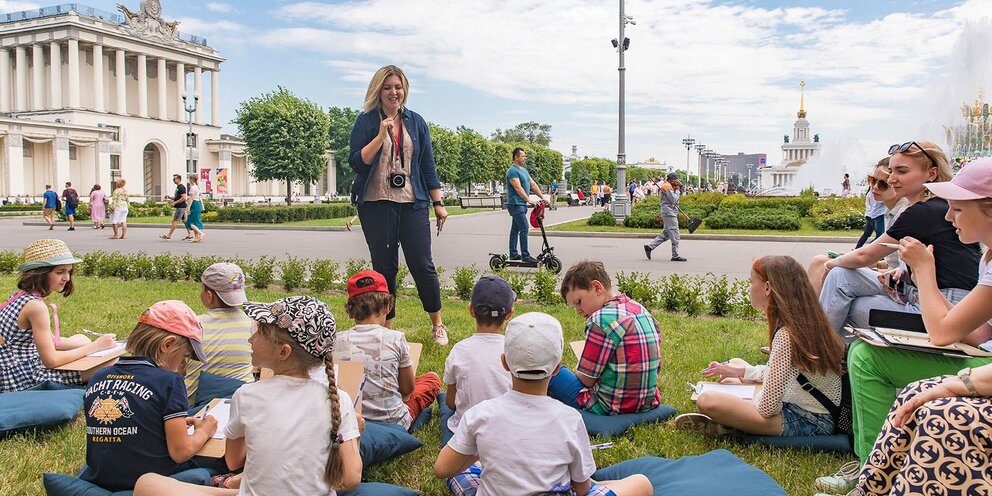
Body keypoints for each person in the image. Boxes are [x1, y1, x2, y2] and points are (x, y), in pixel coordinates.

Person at [815, 158, 992, 495]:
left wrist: (924, 272)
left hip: (984, 366)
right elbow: (981, 332)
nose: (948, 216)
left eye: (957, 208)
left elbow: (942, 333)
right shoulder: (988, 256)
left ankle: (869, 470)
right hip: (982, 354)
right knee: (866, 345)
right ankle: (873, 471)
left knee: (867, 357)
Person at [134, 296, 363, 496]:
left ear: (283, 352)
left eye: (260, 333)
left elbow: (233, 461)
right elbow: (351, 478)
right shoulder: (339, 399)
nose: (251, 339)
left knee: (147, 483)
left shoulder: (247, 394)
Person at [435, 312, 653, 496]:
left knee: (464, 472)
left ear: (504, 362)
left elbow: (443, 469)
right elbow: (582, 487)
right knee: (642, 483)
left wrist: (480, 449)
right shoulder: (570, 419)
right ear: (557, 368)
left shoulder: (479, 414)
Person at [673, 256, 845, 437]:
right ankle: (731, 421)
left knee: (708, 400)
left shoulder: (787, 335)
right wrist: (741, 373)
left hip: (810, 421)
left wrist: (746, 397)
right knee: (735, 370)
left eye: (751, 282)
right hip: (806, 406)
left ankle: (730, 425)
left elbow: (767, 407)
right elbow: (785, 373)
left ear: (768, 287)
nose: (749, 287)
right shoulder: (804, 322)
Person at [818, 141, 979, 335]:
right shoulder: (932, 206)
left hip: (944, 305)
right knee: (840, 277)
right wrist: (899, 269)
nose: (893, 179)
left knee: (850, 301)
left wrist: (830, 263)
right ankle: (825, 355)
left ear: (932, 174)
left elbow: (866, 257)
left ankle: (818, 357)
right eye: (892, 171)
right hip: (926, 293)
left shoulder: (924, 211)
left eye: (902, 172)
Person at [348, 64, 449, 345]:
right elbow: (356, 162)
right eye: (388, 87)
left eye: (398, 86)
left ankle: (438, 324)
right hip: (375, 203)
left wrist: (438, 202)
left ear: (405, 90)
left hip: (412, 202)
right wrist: (380, 136)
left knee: (422, 264)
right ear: (378, 90)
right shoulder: (366, 121)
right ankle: (387, 329)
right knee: (384, 269)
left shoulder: (416, 122)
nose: (394, 92)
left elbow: (427, 165)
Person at [79, 300, 216, 492]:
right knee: (214, 466)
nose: (183, 365)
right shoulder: (169, 382)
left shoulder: (99, 376)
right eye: (185, 356)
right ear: (167, 345)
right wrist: (205, 430)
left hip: (101, 477)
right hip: (149, 482)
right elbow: (181, 452)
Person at [0, 239, 116, 392]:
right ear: (40, 273)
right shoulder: (36, 307)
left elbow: (53, 342)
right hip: (21, 378)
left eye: (69, 271)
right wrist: (96, 346)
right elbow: (51, 361)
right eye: (60, 272)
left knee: (81, 339)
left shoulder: (20, 296)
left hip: (11, 367)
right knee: (112, 361)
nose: (67, 278)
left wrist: (89, 345)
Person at [549, 261, 662, 415]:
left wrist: (578, 367)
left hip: (608, 407)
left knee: (552, 370)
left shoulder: (599, 320)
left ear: (597, 287)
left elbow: (587, 379)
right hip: (647, 403)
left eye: (578, 302)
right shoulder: (639, 309)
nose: (578, 310)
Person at [333, 270, 441, 430]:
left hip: (351, 419)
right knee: (431, 379)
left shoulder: (335, 340)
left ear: (349, 311)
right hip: (394, 422)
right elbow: (407, 390)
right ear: (388, 306)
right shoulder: (396, 338)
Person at [807, 159, 909, 295]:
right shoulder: (890, 212)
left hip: (899, 284)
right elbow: (893, 260)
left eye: (883, 184)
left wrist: (839, 262)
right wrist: (877, 264)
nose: (875, 187)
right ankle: (812, 313)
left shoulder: (904, 213)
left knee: (833, 271)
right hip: (893, 276)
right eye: (872, 180)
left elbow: (865, 257)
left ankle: (814, 314)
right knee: (819, 261)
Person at [441, 275, 515, 445]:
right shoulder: (515, 349)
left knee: (444, 403)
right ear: (509, 314)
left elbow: (451, 402)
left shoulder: (459, 350)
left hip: (466, 432)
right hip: (506, 429)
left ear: (471, 310)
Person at [183, 263, 253, 404]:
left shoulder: (194, 324)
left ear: (208, 296)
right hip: (241, 401)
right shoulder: (252, 324)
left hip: (195, 407)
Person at [505, 147, 545, 264]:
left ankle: (513, 254)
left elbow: (533, 184)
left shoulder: (524, 171)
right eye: (522, 156)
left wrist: (542, 197)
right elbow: (518, 187)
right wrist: (529, 200)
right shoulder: (512, 171)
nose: (525, 158)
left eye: (524, 156)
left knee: (515, 229)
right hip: (515, 204)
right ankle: (525, 255)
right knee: (524, 228)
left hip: (521, 205)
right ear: (516, 157)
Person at [644, 173, 687, 262]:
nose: (678, 181)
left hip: (670, 212)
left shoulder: (669, 186)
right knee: (675, 234)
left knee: (666, 234)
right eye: (676, 180)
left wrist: (676, 189)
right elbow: (673, 200)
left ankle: (650, 247)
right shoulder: (666, 186)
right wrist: (678, 190)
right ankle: (675, 255)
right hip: (669, 213)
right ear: (672, 180)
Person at [855, 181, 886, 249]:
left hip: (869, 215)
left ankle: (857, 248)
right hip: (877, 215)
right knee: (880, 236)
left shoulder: (870, 193)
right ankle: (867, 249)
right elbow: (881, 201)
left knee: (867, 234)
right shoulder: (874, 193)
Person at [160, 174, 190, 241]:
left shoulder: (181, 187)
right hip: (182, 207)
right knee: (185, 221)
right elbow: (177, 197)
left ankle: (168, 236)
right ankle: (190, 234)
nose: (173, 180)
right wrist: (169, 197)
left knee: (174, 221)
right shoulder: (178, 187)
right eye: (173, 179)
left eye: (174, 179)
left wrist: (175, 203)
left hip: (180, 207)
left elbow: (184, 198)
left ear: (179, 179)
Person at [184, 174, 205, 243]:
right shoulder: (197, 187)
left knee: (190, 222)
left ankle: (200, 233)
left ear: (191, 179)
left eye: (189, 179)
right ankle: (196, 237)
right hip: (198, 204)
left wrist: (188, 208)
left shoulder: (193, 187)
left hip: (194, 204)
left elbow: (191, 198)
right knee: (195, 222)